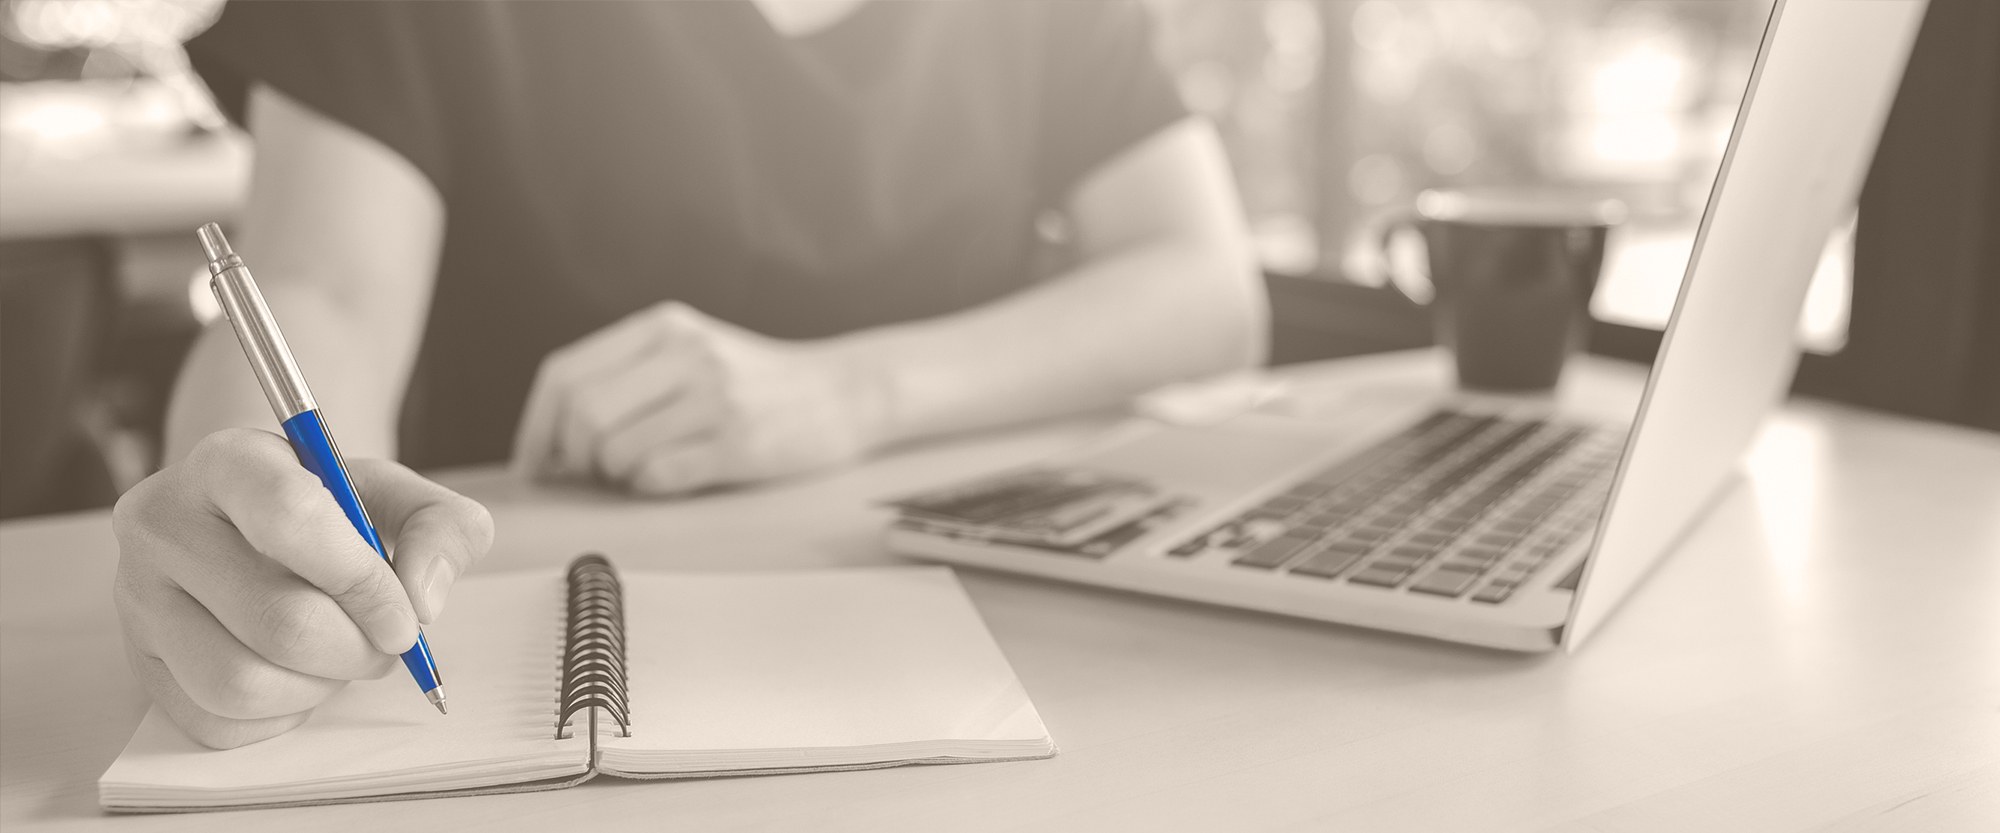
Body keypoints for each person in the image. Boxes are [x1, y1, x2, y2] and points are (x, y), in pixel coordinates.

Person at [112, 0, 1266, 748]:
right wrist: (258, 531)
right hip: (531, 595)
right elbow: (323, 287)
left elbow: (1208, 287)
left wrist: (849, 392)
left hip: (999, 634)